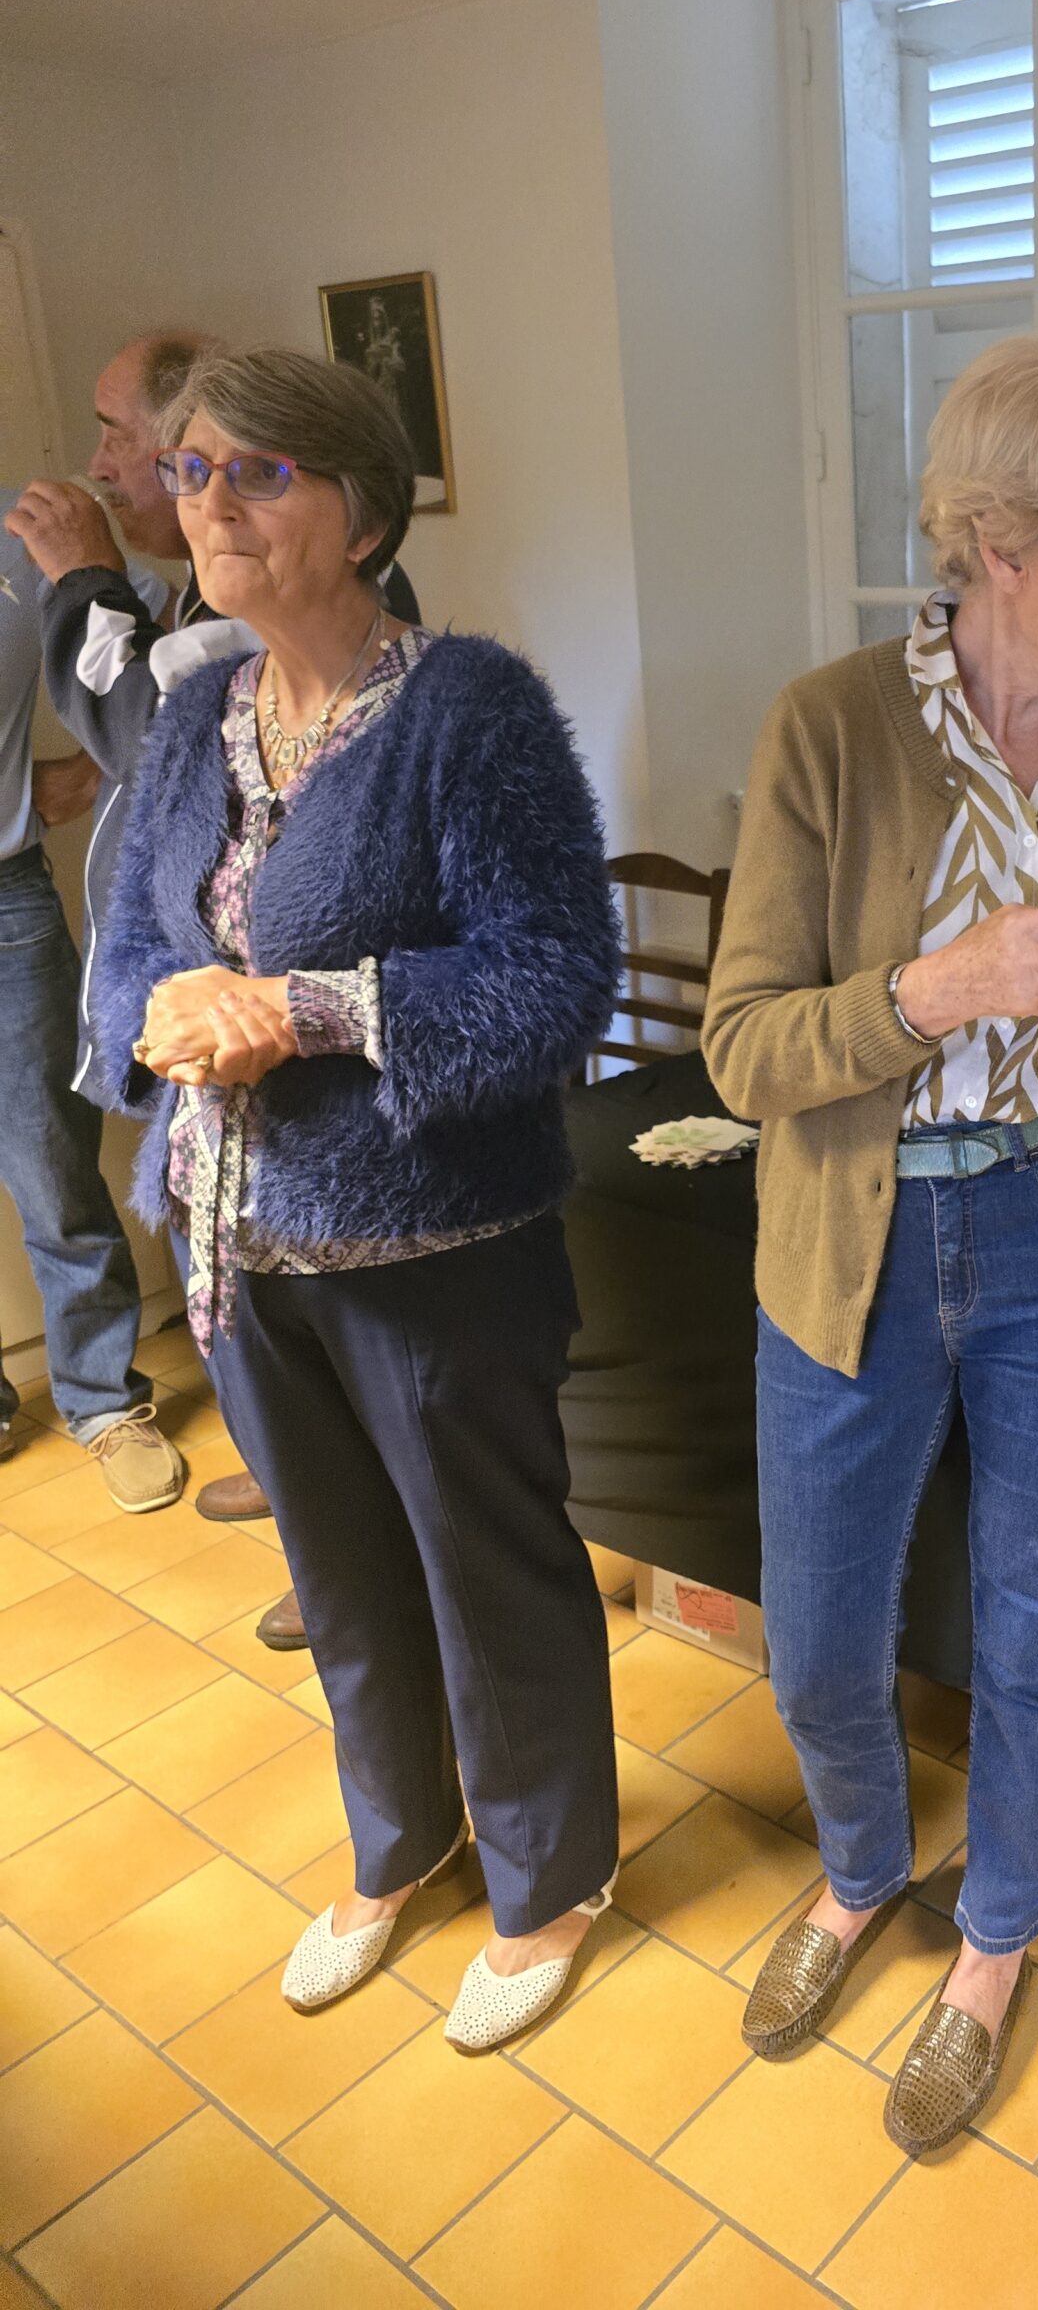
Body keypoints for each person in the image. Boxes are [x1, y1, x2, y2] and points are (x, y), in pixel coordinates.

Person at [704, 334, 1038, 2155]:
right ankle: (862, 1875)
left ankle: (995, 1944)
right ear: (1003, 543)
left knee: (1035, 1629)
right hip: (858, 1240)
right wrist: (934, 989)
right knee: (818, 1635)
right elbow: (744, 1051)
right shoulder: (829, 727)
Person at [93, 345, 622, 2052]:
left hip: (435, 1246)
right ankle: (402, 1844)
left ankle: (550, 1880)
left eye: (259, 472)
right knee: (339, 1577)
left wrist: (306, 1010)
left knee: (487, 1570)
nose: (212, 504)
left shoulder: (471, 712)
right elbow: (131, 950)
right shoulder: (195, 719)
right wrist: (170, 1012)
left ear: (366, 511)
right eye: (192, 471)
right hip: (237, 1243)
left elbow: (556, 978)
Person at [8, 330, 422, 1615]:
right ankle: (300, 1486)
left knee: (318, 1291)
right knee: (232, 1280)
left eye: (122, 436)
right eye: (184, 469)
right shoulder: (199, 602)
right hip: (219, 1051)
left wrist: (80, 578)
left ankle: (343, 1543)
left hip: (299, 1060)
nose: (105, 465)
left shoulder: (307, 627)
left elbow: (141, 725)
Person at [0, 505, 186, 1506]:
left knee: (51, 1166)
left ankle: (102, 1397)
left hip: (5, 904)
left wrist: (94, 764)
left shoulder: (20, 534)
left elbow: (154, 634)